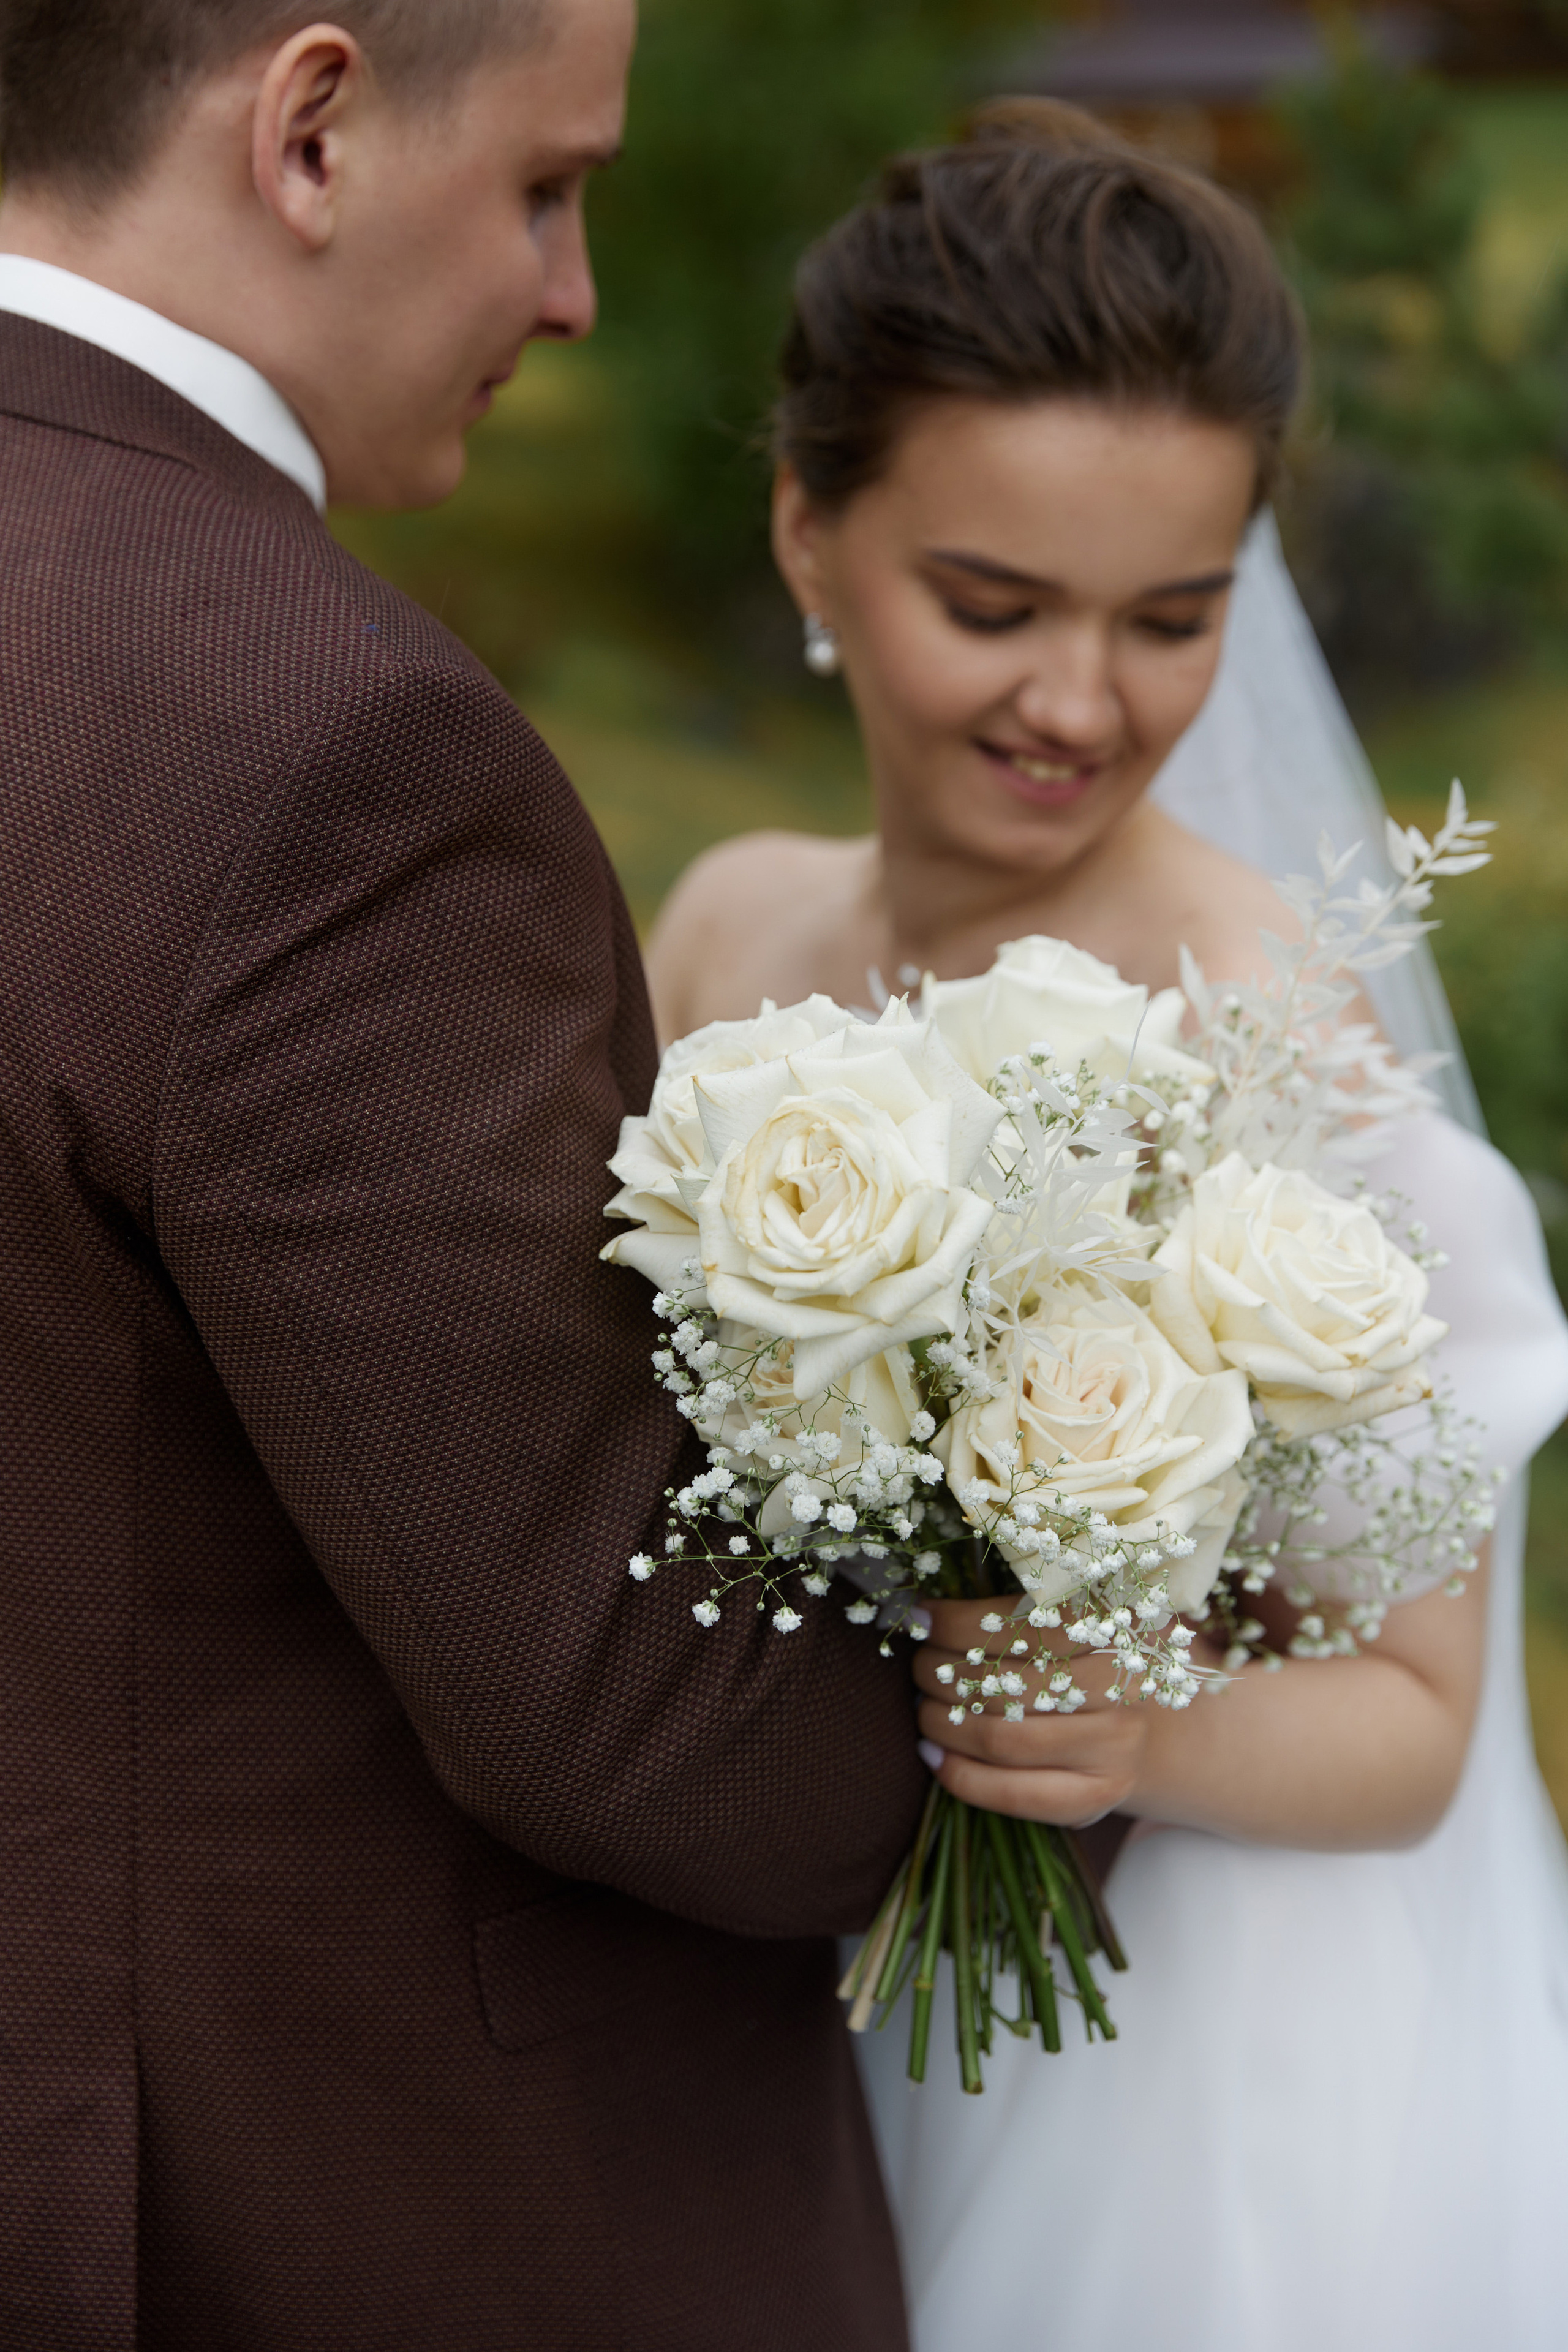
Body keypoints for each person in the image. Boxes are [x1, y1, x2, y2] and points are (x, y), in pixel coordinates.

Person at [0, 6, 928, 2347]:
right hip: (322, 2190)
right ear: (311, 129)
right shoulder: (318, 745)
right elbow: (616, 1692)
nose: (577, 293)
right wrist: (1083, 1696)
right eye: (545, 184)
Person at [647, 103, 1568, 2350]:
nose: (1083, 704)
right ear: (807, 531)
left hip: (1171, 2052)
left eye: (1175, 619)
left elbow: (1419, 1724)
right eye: (993, 606)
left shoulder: (1274, 1050)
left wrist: (1134, 1732)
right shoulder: (728, 937)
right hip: (790, 1979)